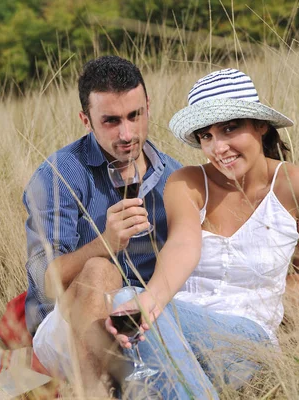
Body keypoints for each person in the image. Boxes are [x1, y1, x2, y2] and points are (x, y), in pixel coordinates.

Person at [107, 68, 299, 389]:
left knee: (130, 304)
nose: (218, 147)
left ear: (260, 125)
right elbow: (183, 244)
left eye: (230, 129)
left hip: (247, 341)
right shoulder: (188, 182)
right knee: (127, 313)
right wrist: (151, 299)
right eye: (206, 136)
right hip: (178, 325)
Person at [23, 55, 218, 398]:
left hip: (140, 321)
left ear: (148, 108)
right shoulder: (57, 176)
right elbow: (45, 284)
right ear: (87, 120)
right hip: (65, 328)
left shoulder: (175, 176)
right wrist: (105, 242)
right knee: (101, 271)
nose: (127, 134)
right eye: (111, 121)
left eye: (134, 116)